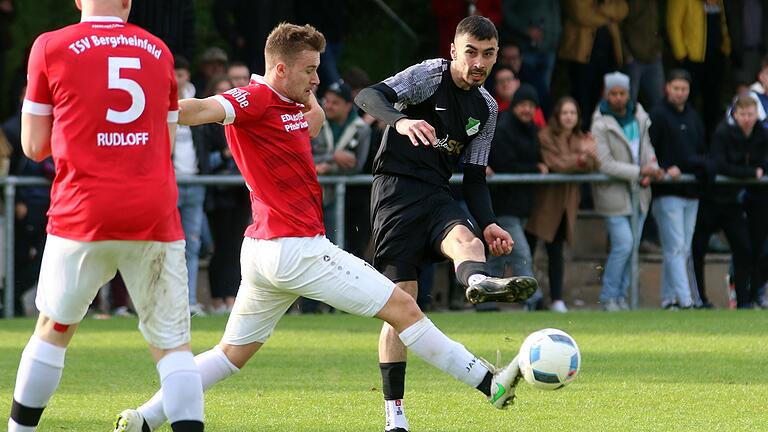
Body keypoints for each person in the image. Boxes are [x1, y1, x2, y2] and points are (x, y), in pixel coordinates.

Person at [113, 22, 527, 432]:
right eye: (310, 69)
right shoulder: (253, 98)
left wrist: (308, 93)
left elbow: (313, 124)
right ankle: (490, 383)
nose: (317, 79)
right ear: (279, 70)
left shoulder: (289, 105)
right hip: (296, 248)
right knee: (404, 308)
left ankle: (143, 418)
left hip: (264, 251)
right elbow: (200, 108)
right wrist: (136, 106)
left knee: (228, 356)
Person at [8, 1, 205, 431]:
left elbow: (33, 146)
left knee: (54, 327)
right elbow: (165, 142)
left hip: (83, 210)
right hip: (152, 211)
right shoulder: (159, 49)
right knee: (174, 349)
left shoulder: (50, 46)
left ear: (79, 0)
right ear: (128, 2)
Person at [355, 16, 538, 432]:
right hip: (395, 192)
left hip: (437, 194)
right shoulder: (429, 75)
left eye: (488, 55)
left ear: (496, 57)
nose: (478, 63)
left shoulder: (487, 108)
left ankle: (478, 282)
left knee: (468, 240)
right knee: (402, 305)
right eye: (470, 52)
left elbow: (474, 177)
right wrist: (399, 120)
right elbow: (368, 96)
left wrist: (490, 223)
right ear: (454, 50)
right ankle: (394, 414)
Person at [591, 72, 663, 310]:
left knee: (631, 247)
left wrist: (652, 167)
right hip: (613, 194)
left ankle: (621, 297)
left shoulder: (640, 117)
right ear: (606, 94)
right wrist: (639, 171)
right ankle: (609, 296)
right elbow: (605, 163)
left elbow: (647, 148)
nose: (619, 98)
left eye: (622, 93)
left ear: (629, 93)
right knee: (623, 244)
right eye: (614, 93)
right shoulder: (600, 123)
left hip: (639, 192)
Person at [691, 94, 765, 309]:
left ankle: (743, 301)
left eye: (751, 114)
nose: (747, 119)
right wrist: (750, 172)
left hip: (732, 202)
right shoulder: (723, 133)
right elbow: (720, 165)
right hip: (711, 200)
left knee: (744, 249)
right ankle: (699, 299)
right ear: (735, 114)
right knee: (697, 249)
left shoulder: (760, 133)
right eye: (743, 114)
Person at [526, 97, 600, 311]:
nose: (569, 117)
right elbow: (555, 163)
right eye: (565, 113)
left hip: (567, 203)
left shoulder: (581, 137)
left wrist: (585, 158)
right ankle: (527, 298)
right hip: (544, 201)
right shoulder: (546, 135)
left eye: (573, 113)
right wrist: (581, 158)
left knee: (556, 251)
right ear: (557, 115)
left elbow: (595, 162)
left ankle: (557, 298)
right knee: (528, 250)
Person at [648, 69, 708, 309]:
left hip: (690, 192)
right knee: (675, 247)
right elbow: (649, 150)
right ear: (667, 88)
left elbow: (701, 150)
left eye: (684, 89)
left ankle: (669, 298)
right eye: (676, 88)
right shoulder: (658, 115)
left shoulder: (693, 117)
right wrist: (663, 168)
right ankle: (686, 300)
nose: (680, 93)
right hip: (667, 193)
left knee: (682, 248)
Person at [486, 84, 546, 311]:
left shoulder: (531, 129)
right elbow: (505, 164)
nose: (527, 110)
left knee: (498, 256)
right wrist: (535, 167)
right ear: (514, 106)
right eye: (522, 105)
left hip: (522, 205)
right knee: (521, 253)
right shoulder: (503, 128)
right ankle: (533, 299)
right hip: (503, 204)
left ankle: (486, 302)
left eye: (531, 106)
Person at [173, 56, 211, 316]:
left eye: (183, 74)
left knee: (193, 244)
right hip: (169, 184)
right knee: (167, 245)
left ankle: (188, 301)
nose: (179, 79)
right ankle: (169, 302)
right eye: (175, 74)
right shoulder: (158, 99)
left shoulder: (199, 102)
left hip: (195, 182)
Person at [561, 0, 629, 131]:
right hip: (582, 56)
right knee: (582, 100)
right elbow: (582, 14)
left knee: (605, 100)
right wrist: (608, 16)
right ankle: (581, 136)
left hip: (609, 55)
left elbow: (623, 9)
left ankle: (600, 137)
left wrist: (599, 8)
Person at [667, 0, 731, 136]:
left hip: (715, 57)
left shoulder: (719, 2)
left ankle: (711, 139)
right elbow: (673, 24)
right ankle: (687, 137)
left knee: (713, 100)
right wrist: (681, 54)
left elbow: (722, 24)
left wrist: (726, 47)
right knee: (688, 100)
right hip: (692, 58)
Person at [622, 0, 665, 108]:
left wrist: (659, 48)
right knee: (629, 103)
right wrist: (626, 54)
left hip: (654, 56)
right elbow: (617, 27)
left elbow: (661, 24)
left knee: (660, 103)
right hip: (633, 58)